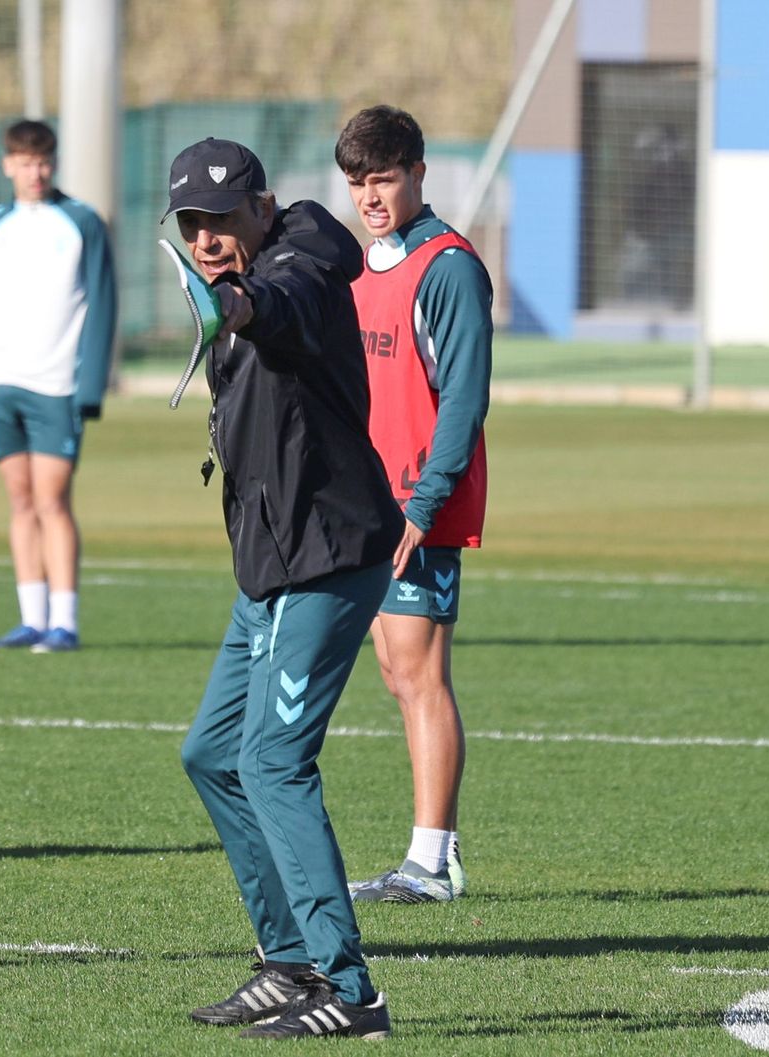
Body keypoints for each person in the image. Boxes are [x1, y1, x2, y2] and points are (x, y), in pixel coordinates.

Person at [170, 137, 403, 1040]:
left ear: (262, 209)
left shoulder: (297, 264)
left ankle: (352, 991)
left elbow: (282, 301)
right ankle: (289, 961)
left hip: (331, 556)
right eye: (193, 225)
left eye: (224, 221)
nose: (208, 238)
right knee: (211, 753)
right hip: (271, 564)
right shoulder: (263, 260)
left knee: (272, 759)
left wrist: (236, 302)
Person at [335, 106, 491, 904]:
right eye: (357, 183)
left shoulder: (449, 267)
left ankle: (435, 860)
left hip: (415, 511)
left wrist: (425, 503)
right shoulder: (365, 266)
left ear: (418, 174)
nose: (369, 196)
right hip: (368, 507)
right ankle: (424, 855)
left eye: (383, 179)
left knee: (422, 672)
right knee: (398, 671)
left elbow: (464, 396)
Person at [0, 120, 117, 653]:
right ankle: (30, 617)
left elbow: (103, 307)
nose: (36, 172)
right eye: (25, 162)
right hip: (2, 383)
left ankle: (64, 621)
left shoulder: (80, 223)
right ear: (8, 165)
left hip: (57, 386)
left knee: (52, 500)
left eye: (44, 161)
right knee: (20, 500)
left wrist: (90, 387)